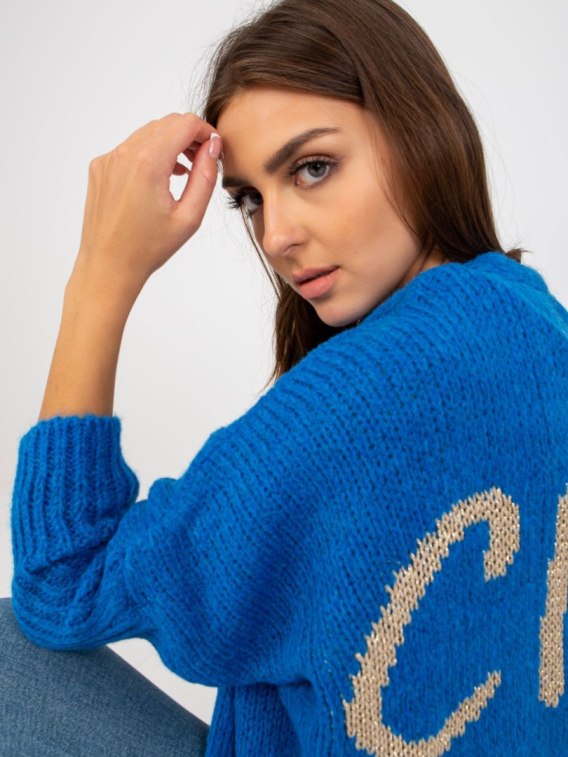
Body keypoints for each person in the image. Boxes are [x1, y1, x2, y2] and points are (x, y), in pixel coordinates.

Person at [2, 0, 566, 754]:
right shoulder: (543, 327)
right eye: (251, 199)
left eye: (314, 167)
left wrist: (100, 276)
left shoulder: (350, 402)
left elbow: (62, 582)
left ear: (420, 132)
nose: (276, 235)